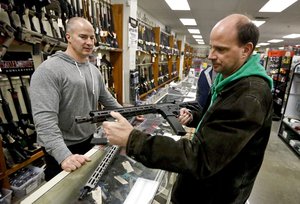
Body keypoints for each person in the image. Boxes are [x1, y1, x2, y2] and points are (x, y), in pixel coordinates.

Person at [102, 14, 273, 204]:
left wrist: (132, 139)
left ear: (246, 50)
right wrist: (194, 116)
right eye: (211, 47)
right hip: (202, 189)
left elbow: (200, 158)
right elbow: (216, 118)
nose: (210, 55)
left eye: (221, 49)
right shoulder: (231, 78)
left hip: (213, 196)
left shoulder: (249, 96)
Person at [30, 17, 122, 181]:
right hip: (62, 146)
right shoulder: (49, 70)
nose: (89, 42)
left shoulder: (94, 70)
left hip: (89, 139)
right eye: (83, 37)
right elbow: (44, 120)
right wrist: (63, 156)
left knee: (87, 184)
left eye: (92, 38)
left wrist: (128, 114)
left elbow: (107, 100)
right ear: (68, 37)